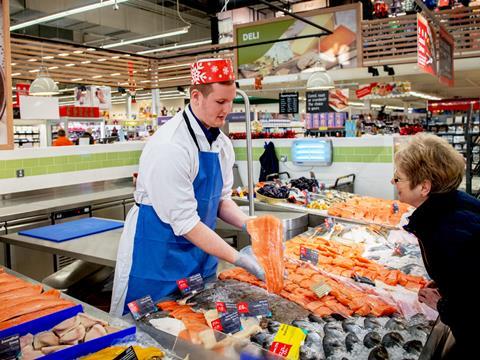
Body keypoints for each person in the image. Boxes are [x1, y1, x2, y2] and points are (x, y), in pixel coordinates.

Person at [110, 58, 265, 316]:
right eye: (219, 102)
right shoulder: (171, 146)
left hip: (198, 253)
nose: (227, 109)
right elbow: (184, 222)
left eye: (230, 101)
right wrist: (237, 258)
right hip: (157, 254)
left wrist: (250, 223)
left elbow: (222, 200)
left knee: (196, 326)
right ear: (196, 97)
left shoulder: (222, 144)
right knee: (150, 330)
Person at [392, 133, 480, 359]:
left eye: (398, 178)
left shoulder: (447, 231)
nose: (393, 183)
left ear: (424, 187)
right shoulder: (451, 207)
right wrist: (447, 281)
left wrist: (442, 304)